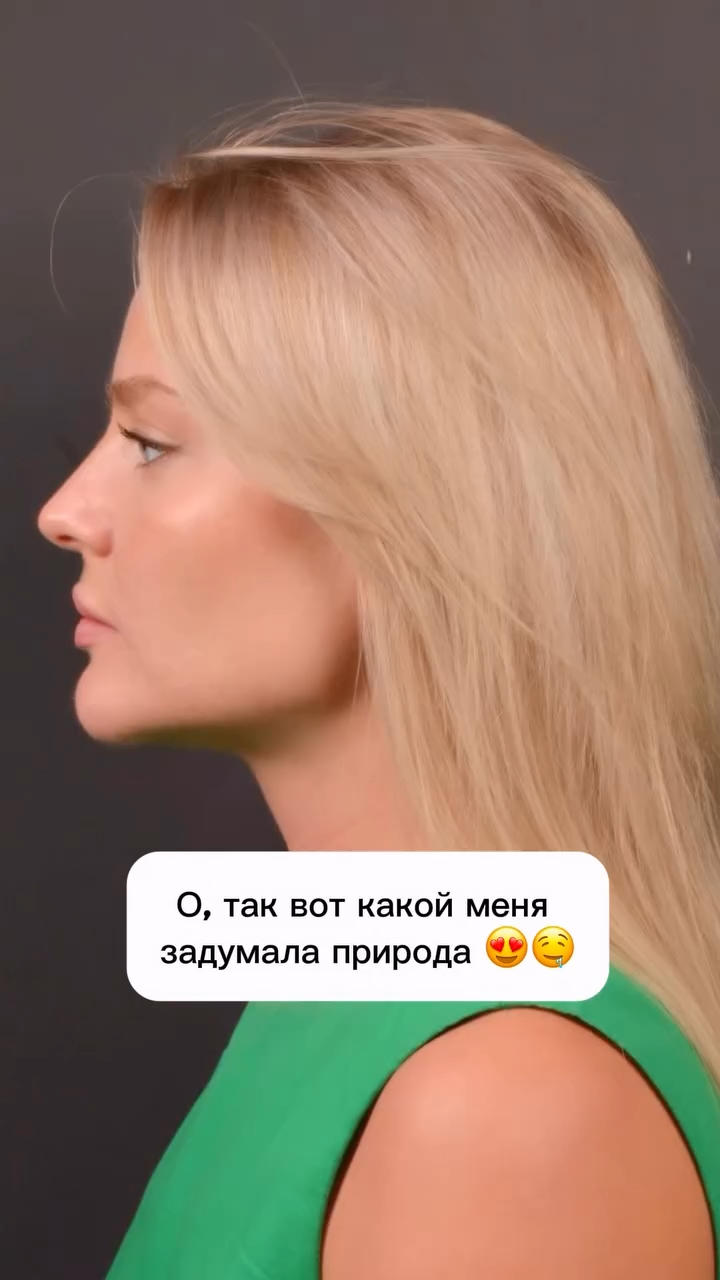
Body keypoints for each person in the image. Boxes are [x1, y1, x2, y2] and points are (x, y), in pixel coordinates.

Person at [37, 99, 720, 1278]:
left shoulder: (502, 1108)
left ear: (406, 505)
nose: (66, 511)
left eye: (151, 442)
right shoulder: (376, 971)